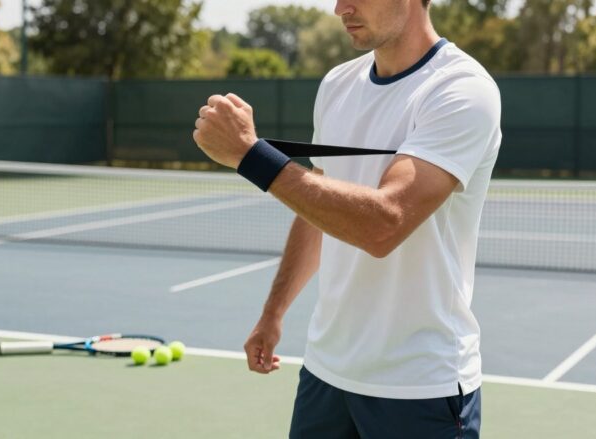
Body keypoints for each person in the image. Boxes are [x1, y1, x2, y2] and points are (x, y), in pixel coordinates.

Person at [193, 0, 501, 437]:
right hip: (325, 374)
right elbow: (317, 206)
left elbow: (384, 224)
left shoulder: (462, 89)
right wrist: (274, 312)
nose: (340, 8)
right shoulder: (338, 83)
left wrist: (251, 157)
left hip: (418, 386)